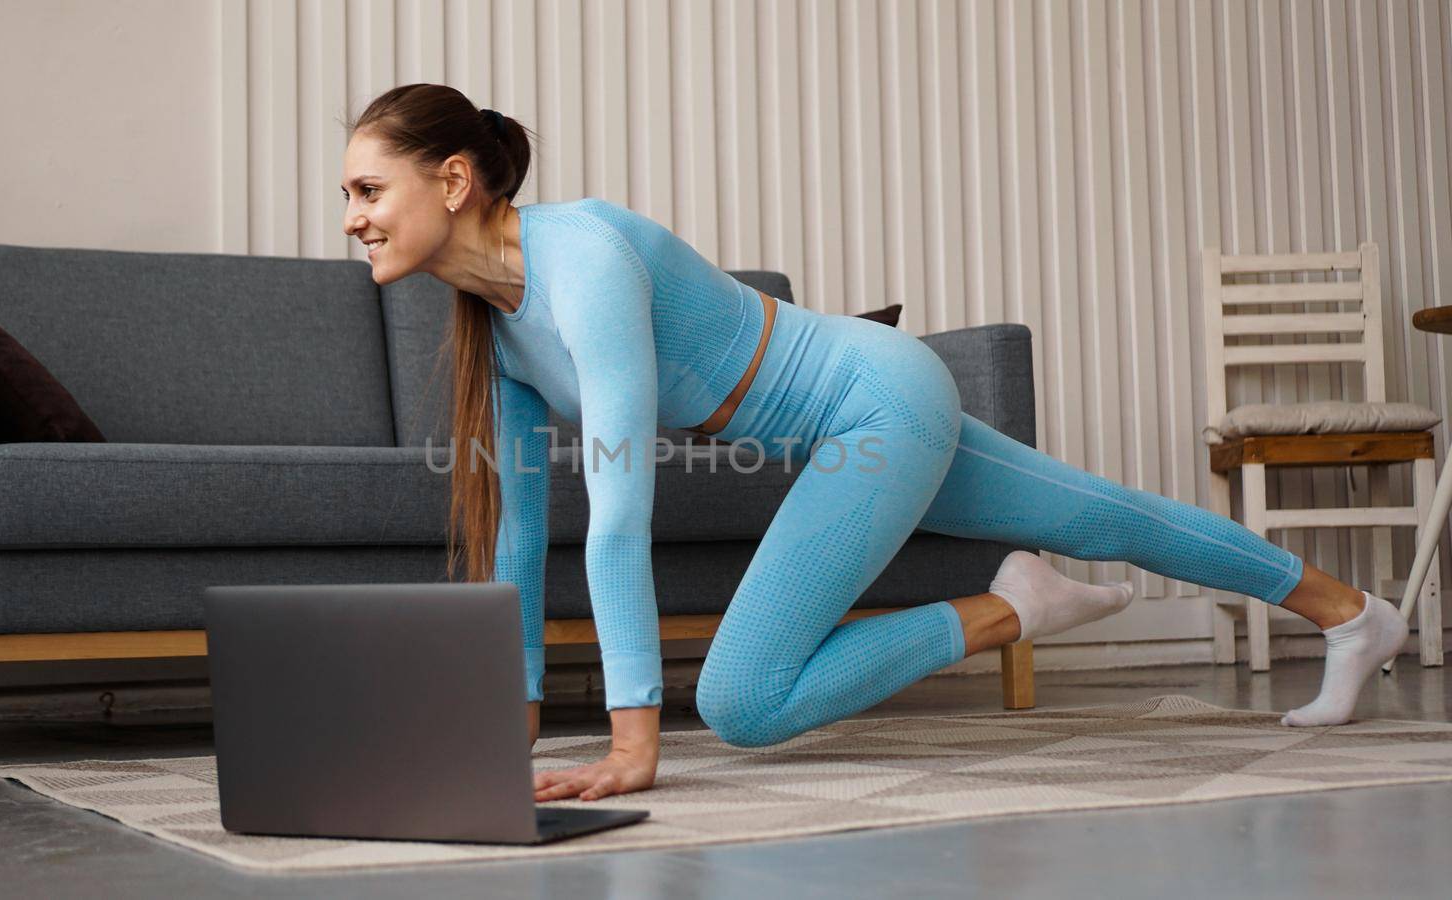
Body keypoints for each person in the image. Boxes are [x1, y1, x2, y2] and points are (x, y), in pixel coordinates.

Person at [340, 83, 1410, 804]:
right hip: (855, 423)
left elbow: (619, 514)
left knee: (740, 702)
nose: (352, 217)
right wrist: (513, 727)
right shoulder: (498, 329)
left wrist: (633, 741)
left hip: (873, 402)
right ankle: (1357, 614)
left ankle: (1017, 606)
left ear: (451, 181)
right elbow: (520, 534)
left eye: (367, 189)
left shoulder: (582, 259)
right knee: (1099, 513)